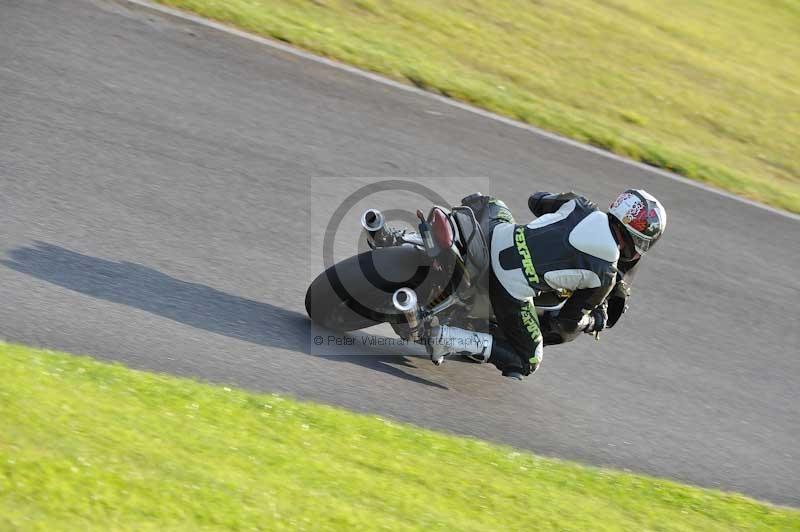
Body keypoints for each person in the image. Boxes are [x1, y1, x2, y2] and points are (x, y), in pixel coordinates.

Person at [426, 189, 667, 380]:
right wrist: (593, 321)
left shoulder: (580, 204)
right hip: (509, 286)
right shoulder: (606, 273)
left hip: (496, 236)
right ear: (639, 239)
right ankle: (448, 339)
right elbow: (567, 322)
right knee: (529, 359)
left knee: (491, 203)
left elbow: (536, 200)